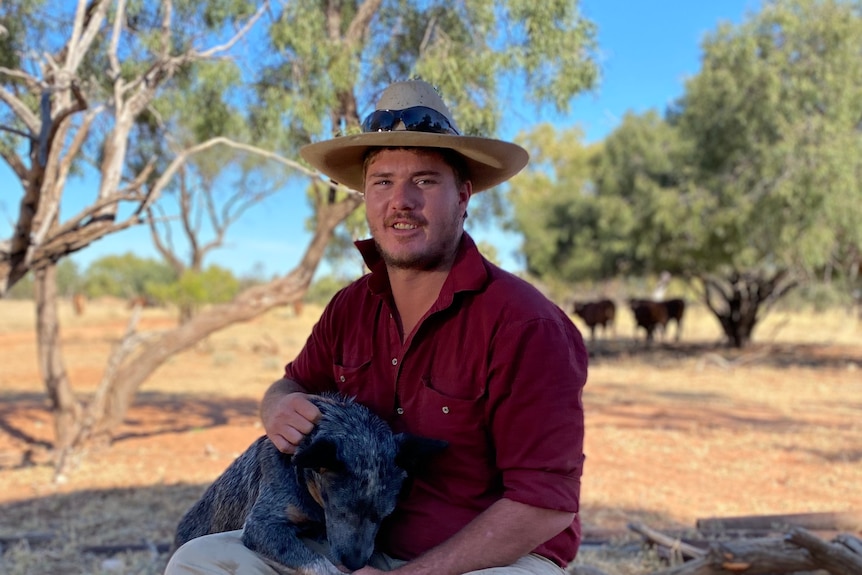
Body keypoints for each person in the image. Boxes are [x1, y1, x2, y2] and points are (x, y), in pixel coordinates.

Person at [166, 79, 588, 575]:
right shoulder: (350, 306)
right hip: (352, 552)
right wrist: (278, 407)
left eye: (426, 181)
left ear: (464, 195)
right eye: (382, 181)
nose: (401, 201)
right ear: (366, 197)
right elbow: (292, 383)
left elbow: (546, 504)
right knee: (199, 562)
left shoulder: (526, 324)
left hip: (486, 562)